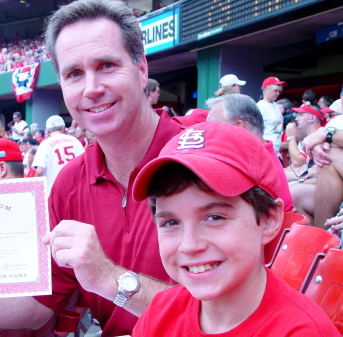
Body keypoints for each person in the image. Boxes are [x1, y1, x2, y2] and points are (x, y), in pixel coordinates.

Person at [0, 0, 181, 335]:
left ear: (142, 68)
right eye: (74, 74)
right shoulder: (71, 182)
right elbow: (34, 308)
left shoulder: (207, 158)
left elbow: (236, 307)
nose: (92, 88)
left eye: (106, 65)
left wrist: (108, 277)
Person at [131, 122, 339, 336]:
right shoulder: (159, 313)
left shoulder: (304, 331)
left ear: (268, 219)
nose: (189, 245)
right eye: (171, 223)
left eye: (214, 217)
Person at [205, 93, 294, 211]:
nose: (205, 132)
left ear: (238, 127)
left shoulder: (253, 165)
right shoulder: (258, 156)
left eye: (213, 126)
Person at [32, 115, 84, 193]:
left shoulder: (45, 144)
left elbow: (39, 171)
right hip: (76, 189)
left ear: (47, 130)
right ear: (63, 127)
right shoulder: (75, 141)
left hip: (54, 190)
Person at [257, 77, 286, 158]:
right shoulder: (259, 107)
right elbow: (254, 130)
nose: (278, 93)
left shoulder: (275, 105)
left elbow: (277, 127)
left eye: (279, 91)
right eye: (275, 90)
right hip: (265, 152)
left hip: (276, 151)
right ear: (266, 89)